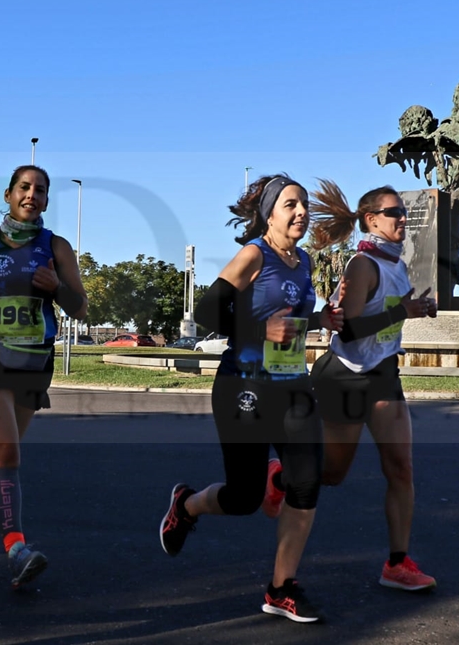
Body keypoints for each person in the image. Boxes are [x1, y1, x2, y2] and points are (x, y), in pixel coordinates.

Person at [158, 174, 341, 623]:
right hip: (244, 386)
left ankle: (281, 588)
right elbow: (206, 312)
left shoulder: (302, 263)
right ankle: (186, 505)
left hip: (293, 385)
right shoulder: (252, 255)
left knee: (307, 482)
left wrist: (322, 317)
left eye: (304, 206)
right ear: (269, 214)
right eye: (291, 205)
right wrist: (260, 331)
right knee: (244, 496)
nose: (301, 213)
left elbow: (289, 321)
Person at [273, 180, 439, 592]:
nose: (403, 218)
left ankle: (397, 563)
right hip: (344, 377)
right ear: (371, 220)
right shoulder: (362, 265)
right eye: (394, 213)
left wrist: (413, 311)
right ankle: (278, 478)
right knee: (331, 474)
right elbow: (346, 332)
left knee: (401, 468)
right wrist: (401, 310)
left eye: (403, 212)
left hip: (383, 375)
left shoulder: (397, 264)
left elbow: (390, 316)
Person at [0, 165, 87, 588]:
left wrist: (56, 287)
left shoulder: (56, 247)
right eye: (24, 188)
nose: (32, 195)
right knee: (6, 450)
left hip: (31, 357)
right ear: (8, 195)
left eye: (40, 190)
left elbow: (79, 308)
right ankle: (16, 548)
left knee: (0, 446)